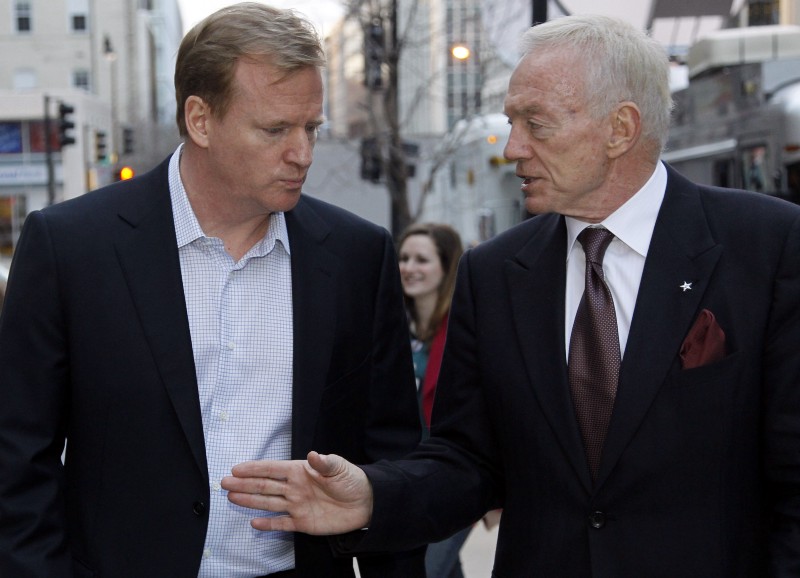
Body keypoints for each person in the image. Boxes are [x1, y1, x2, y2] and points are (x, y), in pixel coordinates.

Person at [220, 14, 800, 576]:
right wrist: (373, 496)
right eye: (511, 122)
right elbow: (468, 461)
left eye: (536, 123)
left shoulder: (766, 248)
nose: (513, 146)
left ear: (620, 129)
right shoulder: (495, 274)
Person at [0, 3, 424, 577]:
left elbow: (392, 459)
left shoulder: (355, 255)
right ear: (200, 119)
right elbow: (18, 457)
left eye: (311, 128)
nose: (302, 153)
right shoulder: (70, 246)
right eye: (275, 129)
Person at [398, 223, 471, 578]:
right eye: (404, 258)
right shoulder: (394, 325)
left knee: (428, 570)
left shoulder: (465, 328)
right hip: (404, 476)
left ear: (446, 267)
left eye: (421, 260)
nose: (409, 267)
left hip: (450, 477)